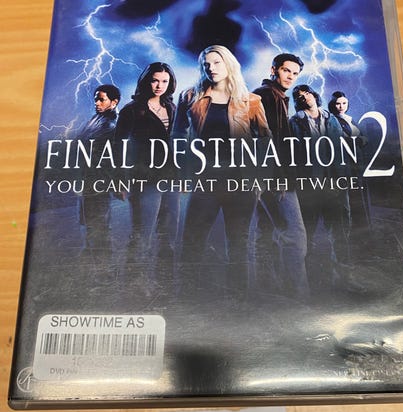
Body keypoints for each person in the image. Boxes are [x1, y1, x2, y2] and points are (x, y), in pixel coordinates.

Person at [173, 44, 270, 298]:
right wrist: (183, 172)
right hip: (205, 179)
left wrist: (260, 178)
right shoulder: (189, 97)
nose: (211, 68)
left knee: (238, 242)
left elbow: (265, 141)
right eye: (206, 64)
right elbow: (177, 135)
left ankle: (239, 300)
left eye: (217, 62)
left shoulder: (251, 101)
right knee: (192, 240)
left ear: (229, 65)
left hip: (241, 181)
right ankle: (186, 297)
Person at [115, 62, 179, 287]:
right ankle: (134, 284)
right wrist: (119, 181)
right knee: (142, 234)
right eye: (155, 80)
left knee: (168, 235)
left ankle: (164, 284)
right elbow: (117, 147)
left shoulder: (172, 108)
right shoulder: (131, 110)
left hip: (170, 178)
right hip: (144, 178)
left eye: (164, 81)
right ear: (146, 81)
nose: (159, 85)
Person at [252, 53, 309, 300]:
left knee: (268, 234)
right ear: (273, 70)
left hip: (265, 177)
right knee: (294, 236)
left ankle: (270, 293)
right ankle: (299, 296)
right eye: (286, 71)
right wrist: (277, 177)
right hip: (274, 178)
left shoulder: (275, 96)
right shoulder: (267, 95)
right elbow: (265, 141)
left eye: (295, 74)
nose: (291, 77)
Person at [290, 84, 352, 291]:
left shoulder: (331, 119)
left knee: (339, 233)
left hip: (333, 184)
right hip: (310, 186)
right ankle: (311, 282)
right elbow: (294, 154)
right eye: (299, 96)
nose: (304, 97)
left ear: (314, 95)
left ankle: (343, 279)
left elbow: (340, 149)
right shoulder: (295, 122)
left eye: (307, 93)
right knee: (307, 235)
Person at [77, 84, 121, 279]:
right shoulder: (98, 119)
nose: (96, 102)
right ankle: (93, 272)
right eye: (96, 98)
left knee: (99, 228)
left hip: (98, 183)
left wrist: (115, 183)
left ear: (114, 102)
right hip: (89, 182)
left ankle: (105, 274)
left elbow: (114, 158)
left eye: (101, 99)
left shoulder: (110, 125)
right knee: (91, 227)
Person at [328, 90, 371, 231]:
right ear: (333, 105)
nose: (341, 106)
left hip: (358, 163)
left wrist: (361, 140)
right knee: (348, 198)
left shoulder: (350, 119)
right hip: (345, 164)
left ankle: (363, 227)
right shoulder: (332, 120)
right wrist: (358, 140)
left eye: (344, 103)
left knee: (359, 196)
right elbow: (337, 141)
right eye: (338, 103)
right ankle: (350, 230)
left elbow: (364, 138)